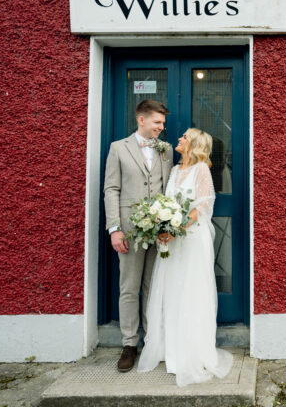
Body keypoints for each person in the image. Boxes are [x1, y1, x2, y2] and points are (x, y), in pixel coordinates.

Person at [137, 128, 233, 386]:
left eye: (184, 137)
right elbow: (167, 203)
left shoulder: (201, 169)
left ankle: (191, 351)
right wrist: (162, 227)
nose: (178, 139)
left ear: (193, 144)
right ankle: (171, 349)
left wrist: (177, 229)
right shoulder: (176, 170)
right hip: (173, 242)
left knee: (191, 291)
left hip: (191, 240)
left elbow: (203, 204)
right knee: (172, 291)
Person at [103, 100, 172, 372]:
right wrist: (114, 228)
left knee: (152, 288)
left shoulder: (165, 151)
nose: (161, 128)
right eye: (157, 122)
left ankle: (152, 342)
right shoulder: (118, 148)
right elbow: (111, 189)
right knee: (129, 288)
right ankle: (129, 344)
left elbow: (168, 188)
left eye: (163, 124)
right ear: (141, 119)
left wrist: (167, 225)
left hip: (158, 231)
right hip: (129, 231)